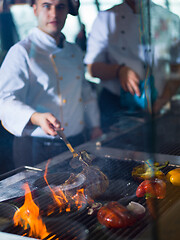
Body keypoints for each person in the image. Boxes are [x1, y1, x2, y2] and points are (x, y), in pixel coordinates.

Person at [0, 0, 102, 168]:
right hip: (37, 147)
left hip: (77, 142)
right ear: (35, 10)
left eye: (60, 6)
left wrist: (95, 126)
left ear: (68, 10)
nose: (54, 13)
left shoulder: (74, 51)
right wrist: (36, 117)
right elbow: (4, 101)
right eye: (47, 6)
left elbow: (84, 93)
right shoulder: (21, 52)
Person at [84, 0, 180, 129]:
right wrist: (119, 70)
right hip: (115, 106)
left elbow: (177, 67)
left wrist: (164, 99)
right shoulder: (106, 18)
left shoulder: (170, 19)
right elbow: (92, 69)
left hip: (157, 103)